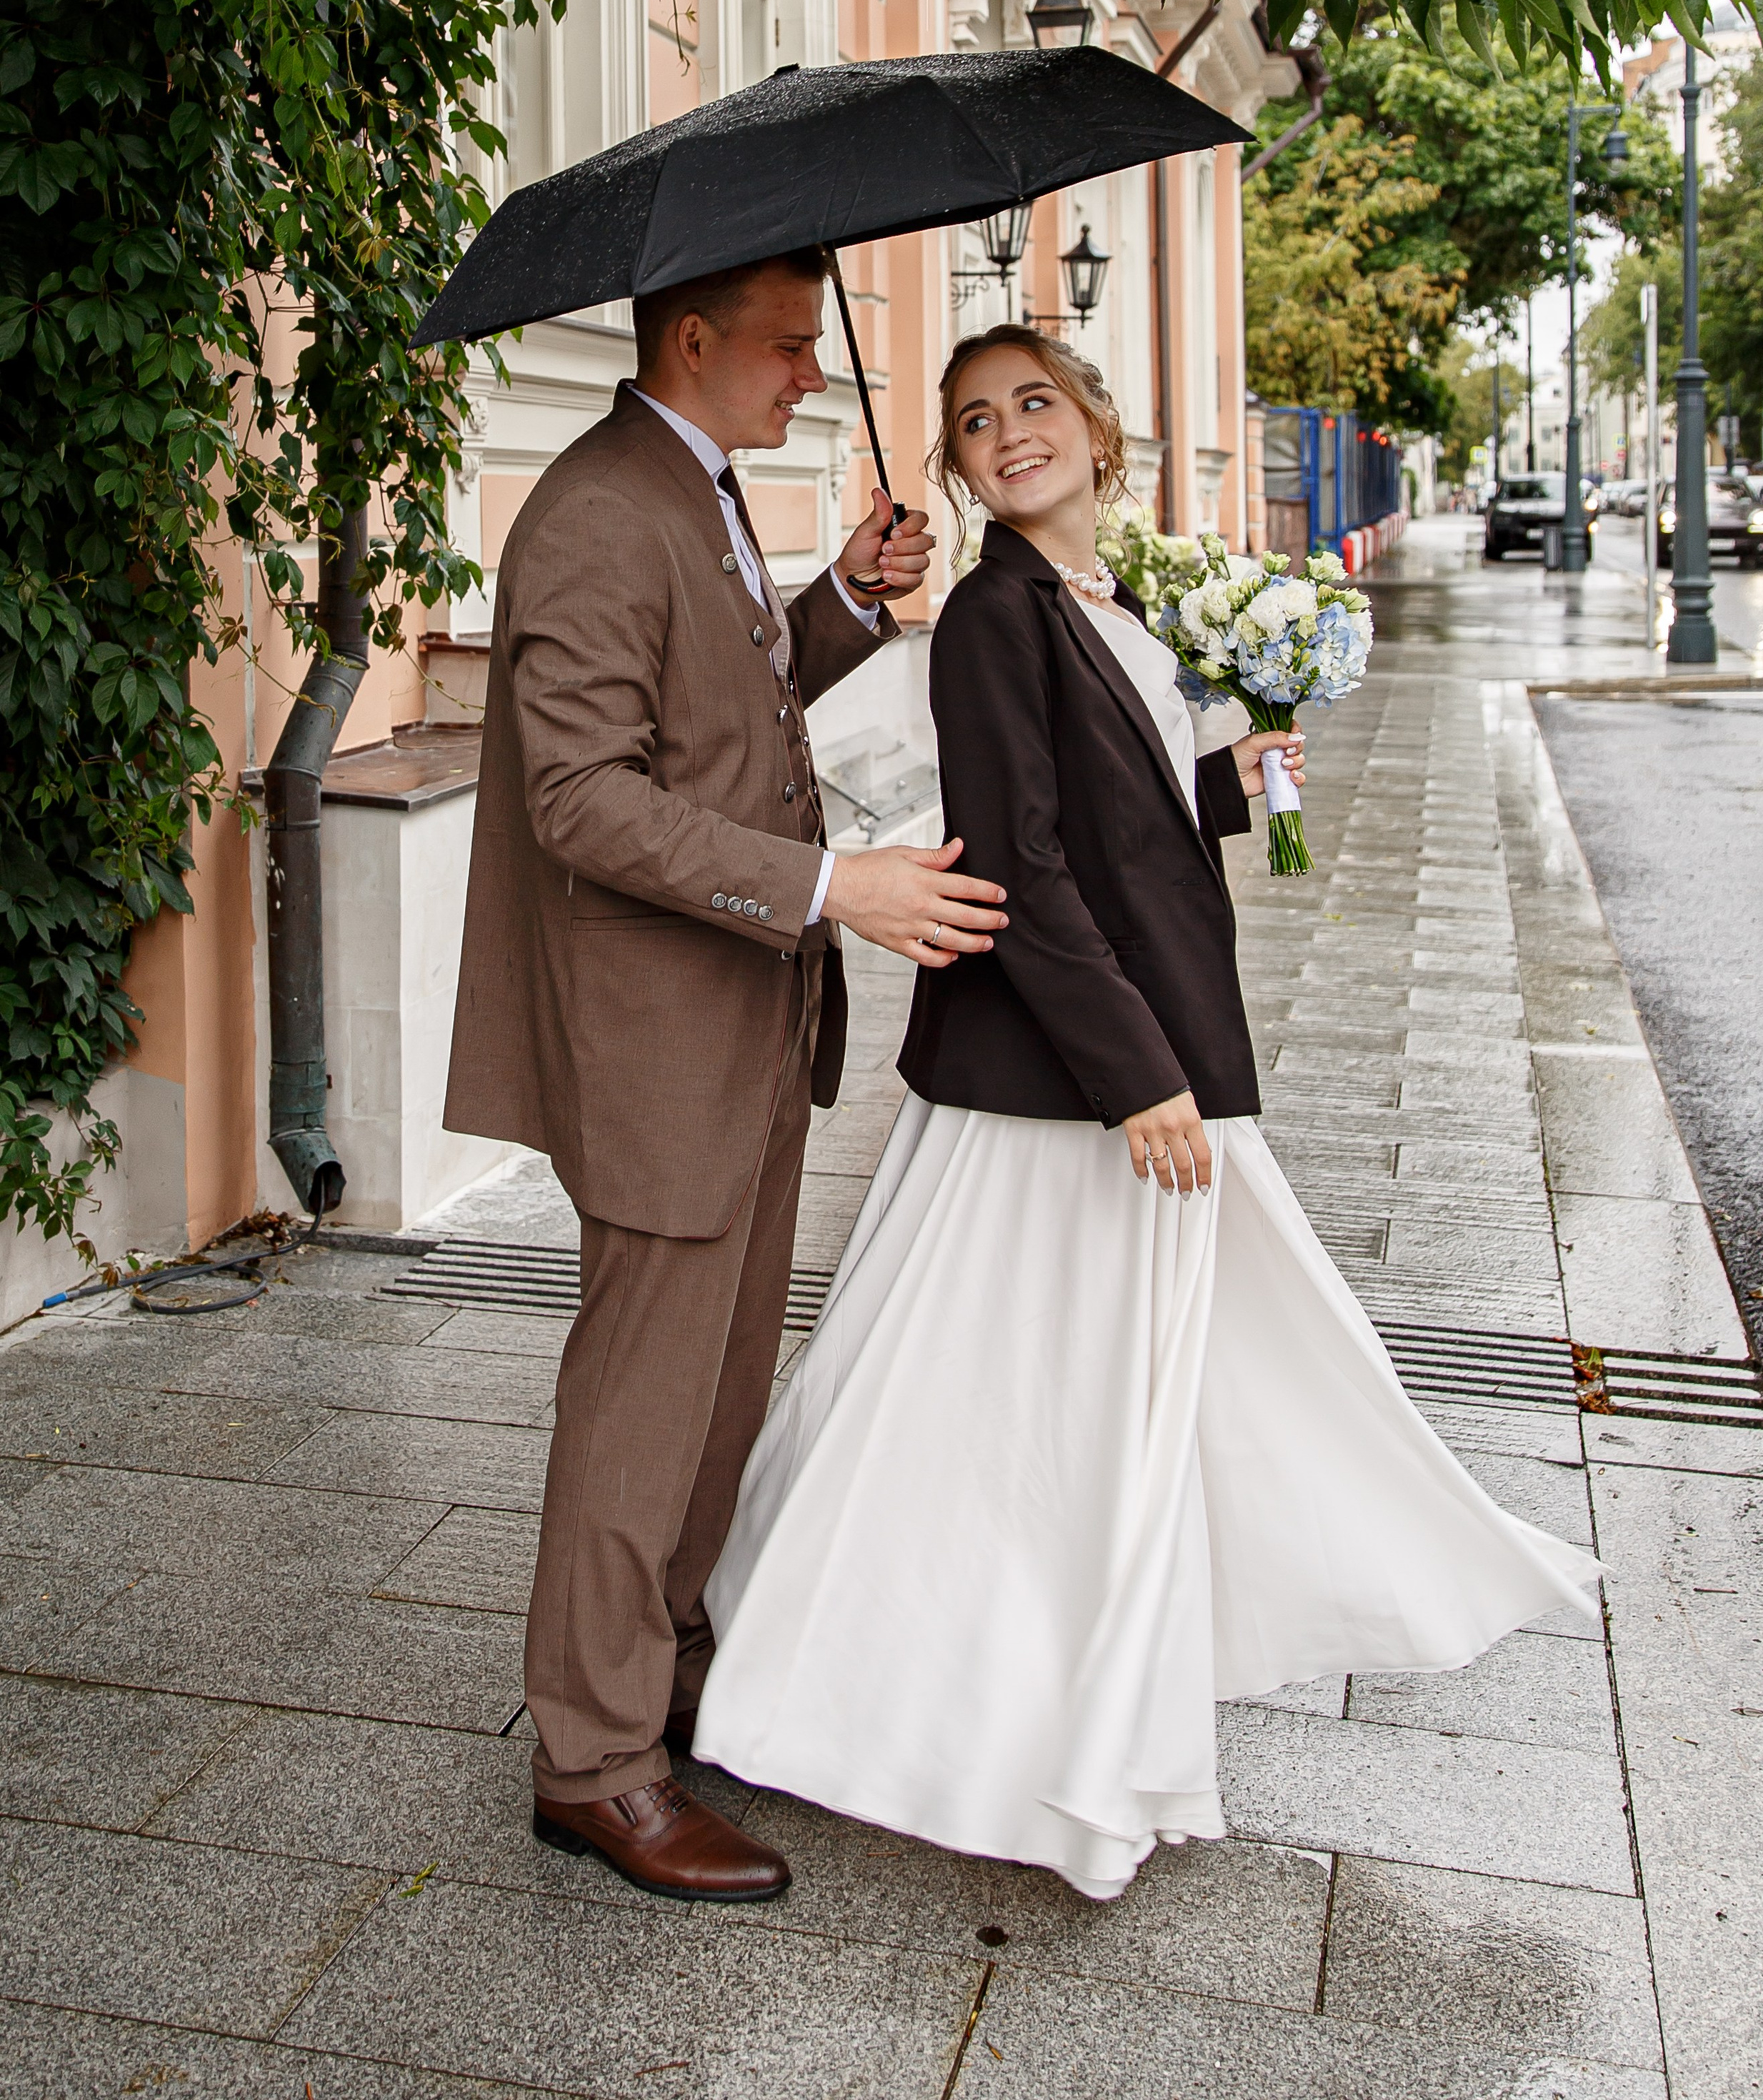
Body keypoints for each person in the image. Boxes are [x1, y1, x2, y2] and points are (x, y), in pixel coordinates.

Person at [694, 324, 1600, 1900]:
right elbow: (1021, 862)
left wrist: (1251, 779)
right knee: (1039, 1405)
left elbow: (1138, 812)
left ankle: (1017, 1669)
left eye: (1033, 403)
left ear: (1097, 432)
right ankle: (979, 1704)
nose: (1007, 433)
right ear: (961, 475)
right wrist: (1140, 1081)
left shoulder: (1108, 602)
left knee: (1086, 1389)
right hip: (1054, 1082)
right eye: (975, 423)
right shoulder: (989, 618)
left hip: (1128, 1036)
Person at [443, 249, 1008, 1904]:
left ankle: (668, 1674)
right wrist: (838, 890)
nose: (808, 377)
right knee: (639, 1406)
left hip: (747, 1023)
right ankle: (593, 1766)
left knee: (716, 1393)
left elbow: (727, 715)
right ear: (688, 341)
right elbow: (583, 801)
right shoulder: (599, 510)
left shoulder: (688, 485)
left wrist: (834, 598)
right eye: (782, 349)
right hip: (657, 1045)